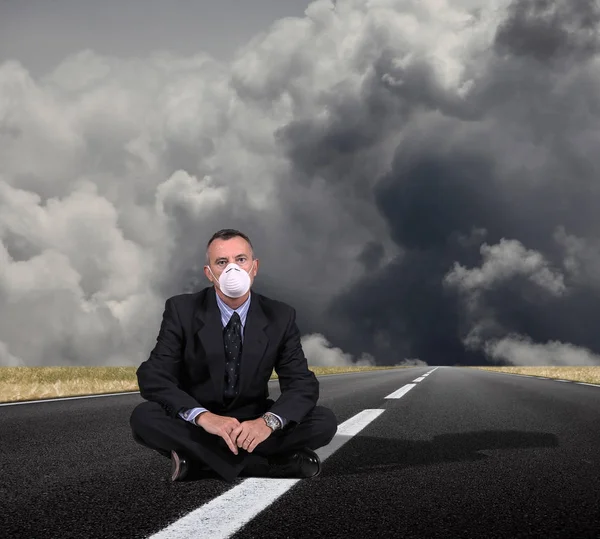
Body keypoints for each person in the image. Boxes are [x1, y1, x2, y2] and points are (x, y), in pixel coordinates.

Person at [129, 228, 338, 482]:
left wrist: (266, 423)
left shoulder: (280, 316)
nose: (233, 269)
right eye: (221, 262)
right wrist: (204, 417)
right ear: (210, 273)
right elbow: (154, 375)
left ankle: (198, 462)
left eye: (240, 260)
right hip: (201, 423)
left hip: (255, 420)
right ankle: (269, 465)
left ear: (254, 267)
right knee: (144, 417)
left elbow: (301, 384)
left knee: (324, 421)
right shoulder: (181, 309)